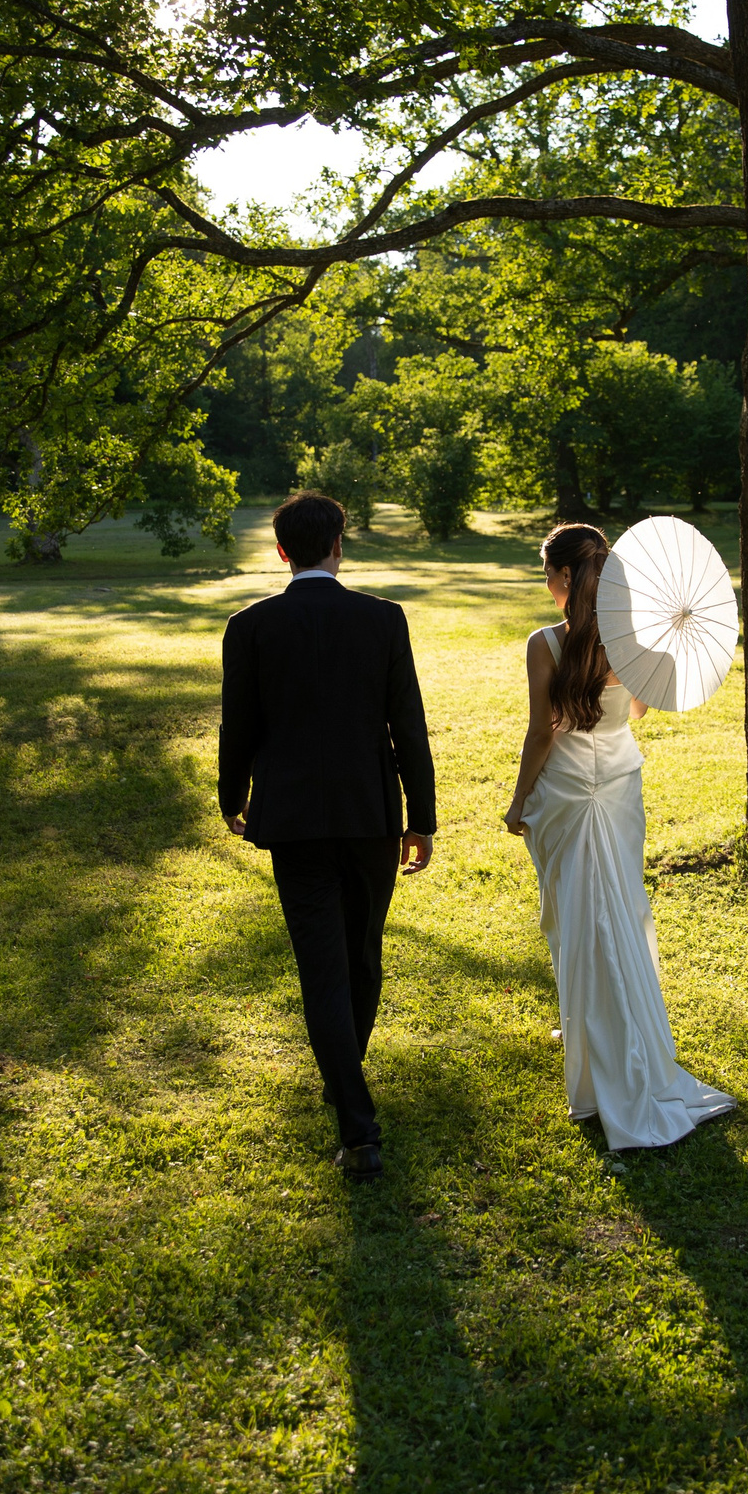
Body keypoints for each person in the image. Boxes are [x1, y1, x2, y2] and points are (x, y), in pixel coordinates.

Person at [220, 491, 436, 1182]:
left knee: (326, 967)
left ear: (281, 551)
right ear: (339, 545)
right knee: (360, 958)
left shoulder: (251, 625)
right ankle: (356, 1121)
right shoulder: (382, 619)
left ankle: (346, 1089)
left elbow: (239, 726)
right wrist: (420, 818)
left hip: (294, 820)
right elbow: (409, 725)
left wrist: (232, 797)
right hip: (370, 814)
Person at [502, 523, 735, 1151]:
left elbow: (542, 732)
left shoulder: (546, 642)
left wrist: (518, 800)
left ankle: (602, 1043)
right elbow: (636, 710)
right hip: (619, 784)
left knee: (578, 915)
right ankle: (607, 1027)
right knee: (619, 910)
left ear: (563, 577)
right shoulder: (631, 638)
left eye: (547, 572)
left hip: (567, 792)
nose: (546, 583)